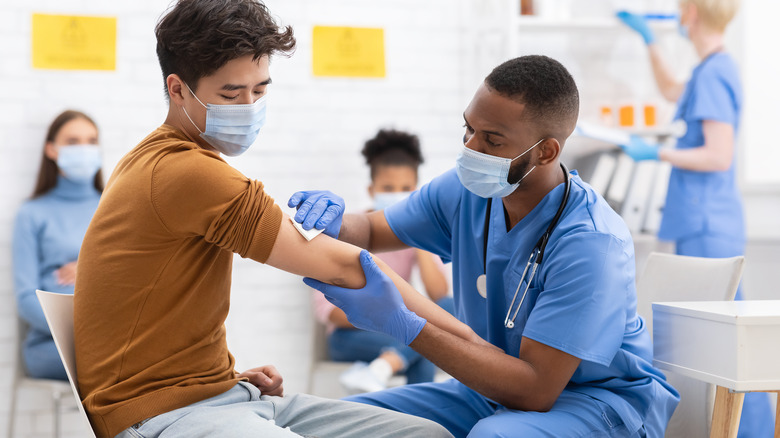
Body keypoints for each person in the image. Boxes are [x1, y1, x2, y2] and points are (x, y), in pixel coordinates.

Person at [71, 1, 474, 438]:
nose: (247, 107)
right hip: (159, 414)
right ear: (178, 89)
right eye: (230, 94)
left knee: (427, 434)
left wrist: (222, 377)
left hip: (221, 395)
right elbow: (343, 265)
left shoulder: (161, 159)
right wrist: (475, 351)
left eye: (259, 91)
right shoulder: (186, 172)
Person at [294, 55, 680, 437]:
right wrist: (334, 220)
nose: (471, 148)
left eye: (492, 140)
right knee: (349, 420)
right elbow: (372, 230)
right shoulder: (466, 192)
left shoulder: (592, 243)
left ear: (546, 151)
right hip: (494, 392)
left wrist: (406, 326)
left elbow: (535, 391)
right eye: (469, 129)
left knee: (496, 437)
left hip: (596, 403)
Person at [617, 2, 774, 436]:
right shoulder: (710, 69)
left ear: (691, 13)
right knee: (716, 338)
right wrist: (649, 41)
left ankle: (753, 431)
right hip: (702, 221)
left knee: (725, 342)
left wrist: (657, 152)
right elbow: (672, 91)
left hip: (708, 222)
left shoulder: (716, 71)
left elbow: (718, 155)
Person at [313, 129, 453, 394]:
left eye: (405, 190)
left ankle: (382, 369)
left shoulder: (416, 234)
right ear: (371, 189)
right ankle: (420, 427)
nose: (397, 195)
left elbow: (440, 295)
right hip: (349, 337)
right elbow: (328, 312)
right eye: (388, 189)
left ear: (416, 192)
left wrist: (415, 235)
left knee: (450, 309)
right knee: (423, 342)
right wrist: (388, 318)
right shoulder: (345, 231)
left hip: (395, 329)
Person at [12, 110, 103, 381]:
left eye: (91, 141)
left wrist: (90, 268)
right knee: (119, 363)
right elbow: (26, 298)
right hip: (51, 345)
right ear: (51, 150)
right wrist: (83, 331)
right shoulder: (33, 213)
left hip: (111, 338)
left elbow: (139, 277)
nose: (84, 149)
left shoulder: (115, 208)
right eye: (73, 141)